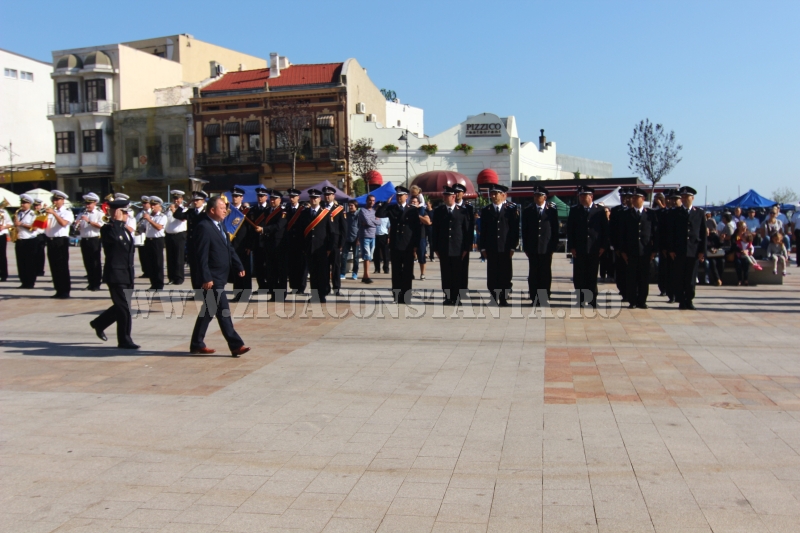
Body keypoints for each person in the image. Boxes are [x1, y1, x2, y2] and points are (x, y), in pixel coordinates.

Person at [188, 196, 250, 356]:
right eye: (222, 208)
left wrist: (238, 265)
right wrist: (206, 277)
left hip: (221, 275)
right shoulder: (203, 227)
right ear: (212, 210)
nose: (225, 210)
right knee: (223, 310)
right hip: (212, 277)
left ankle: (196, 343)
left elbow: (228, 247)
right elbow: (200, 256)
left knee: (209, 310)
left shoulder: (220, 225)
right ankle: (236, 344)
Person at [89, 198, 139, 350]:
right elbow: (114, 242)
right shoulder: (108, 228)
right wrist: (116, 221)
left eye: (126, 212)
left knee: (122, 306)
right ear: (115, 212)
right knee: (123, 308)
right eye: (123, 212)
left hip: (127, 273)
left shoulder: (124, 228)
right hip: (115, 274)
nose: (126, 215)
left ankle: (99, 323)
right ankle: (124, 340)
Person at [376, 186, 421, 304]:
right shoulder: (392, 208)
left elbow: (417, 229)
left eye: (401, 195)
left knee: (407, 272)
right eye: (397, 195)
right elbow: (379, 213)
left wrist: (416, 246)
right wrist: (387, 203)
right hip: (395, 244)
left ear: (406, 196)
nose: (399, 197)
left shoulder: (412, 210)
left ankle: (406, 297)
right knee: (396, 273)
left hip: (408, 245)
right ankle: (396, 296)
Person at [567, 185, 608, 307]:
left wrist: (603, 246)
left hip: (594, 248)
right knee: (579, 276)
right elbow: (570, 229)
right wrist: (571, 246)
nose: (582, 198)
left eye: (584, 196)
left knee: (592, 275)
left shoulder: (599, 211)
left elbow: (605, 230)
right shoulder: (575, 210)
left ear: (591, 197)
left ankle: (592, 299)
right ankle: (580, 299)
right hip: (579, 248)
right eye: (580, 196)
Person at [479, 184, 519, 306]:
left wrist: (513, 247)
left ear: (503, 195)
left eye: (496, 193)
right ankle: (493, 297)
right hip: (491, 247)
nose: (493, 196)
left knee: (505, 274)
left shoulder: (510, 209)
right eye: (492, 193)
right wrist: (483, 247)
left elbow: (514, 230)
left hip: (505, 248)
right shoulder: (486, 210)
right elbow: (483, 231)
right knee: (492, 273)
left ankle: (503, 298)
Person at [619, 188, 658, 309]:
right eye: (633, 198)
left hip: (645, 251)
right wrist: (623, 251)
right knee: (631, 277)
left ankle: (642, 300)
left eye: (636, 198)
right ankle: (632, 300)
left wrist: (654, 251)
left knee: (644, 277)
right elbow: (622, 234)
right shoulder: (626, 214)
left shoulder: (650, 214)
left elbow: (655, 233)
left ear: (643, 199)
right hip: (631, 251)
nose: (633, 200)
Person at [431, 186, 470, 305]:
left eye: (447, 195)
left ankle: (456, 297)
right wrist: (435, 248)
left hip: (458, 248)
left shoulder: (462, 211)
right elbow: (435, 231)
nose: (445, 197)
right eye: (444, 195)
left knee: (457, 274)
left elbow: (466, 231)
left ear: (453, 197)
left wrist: (466, 248)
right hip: (444, 248)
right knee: (446, 273)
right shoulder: (439, 211)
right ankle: (448, 296)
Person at [668, 186, 706, 309]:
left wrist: (702, 251)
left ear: (692, 198)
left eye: (686, 197)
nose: (684, 199)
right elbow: (671, 232)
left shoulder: (699, 213)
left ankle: (689, 299)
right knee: (679, 277)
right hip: (679, 250)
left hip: (693, 251)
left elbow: (702, 233)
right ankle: (681, 300)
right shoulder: (675, 213)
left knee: (691, 278)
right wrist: (671, 249)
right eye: (682, 197)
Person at [522, 186, 559, 305]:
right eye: (535, 196)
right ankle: (534, 296)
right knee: (533, 273)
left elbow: (555, 230)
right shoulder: (528, 210)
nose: (536, 198)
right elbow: (525, 231)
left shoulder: (551, 211)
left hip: (546, 248)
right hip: (533, 248)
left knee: (545, 273)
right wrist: (526, 247)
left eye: (539, 196)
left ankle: (544, 296)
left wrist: (553, 247)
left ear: (545, 197)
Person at [300, 189, 334, 302]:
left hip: (321, 248)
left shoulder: (326, 213)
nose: (313, 199)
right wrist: (304, 247)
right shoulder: (304, 213)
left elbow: (331, 232)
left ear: (320, 199)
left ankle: (322, 294)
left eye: (316, 198)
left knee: (322, 273)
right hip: (309, 248)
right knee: (313, 273)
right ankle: (315, 295)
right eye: (312, 198)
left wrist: (329, 248)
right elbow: (301, 231)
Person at [45, 190, 75, 299]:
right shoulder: (50, 212)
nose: (55, 201)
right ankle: (58, 290)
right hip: (50, 240)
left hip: (60, 240)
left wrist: (54, 213)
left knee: (62, 266)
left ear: (63, 200)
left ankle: (65, 291)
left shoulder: (67, 212)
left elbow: (63, 223)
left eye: (57, 199)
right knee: (54, 266)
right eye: (54, 199)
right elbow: (40, 225)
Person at [260, 189, 288, 301]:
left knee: (281, 271)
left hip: (279, 245)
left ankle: (281, 295)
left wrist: (264, 229)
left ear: (279, 200)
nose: (272, 201)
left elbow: (279, 226)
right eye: (271, 199)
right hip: (268, 244)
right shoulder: (267, 211)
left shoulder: (283, 212)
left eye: (274, 199)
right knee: (271, 271)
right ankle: (273, 294)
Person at [77, 192, 105, 291]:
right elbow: (77, 227)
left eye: (89, 203)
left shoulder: (99, 213)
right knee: (87, 262)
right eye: (86, 203)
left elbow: (101, 226)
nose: (87, 205)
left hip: (94, 239)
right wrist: (77, 224)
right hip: (84, 239)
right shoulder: (82, 213)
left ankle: (96, 284)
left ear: (95, 203)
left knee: (95, 262)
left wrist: (89, 221)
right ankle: (90, 282)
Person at [229, 187, 252, 302]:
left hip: (243, 246)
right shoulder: (228, 210)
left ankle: (246, 294)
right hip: (231, 245)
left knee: (245, 270)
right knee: (235, 270)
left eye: (237, 196)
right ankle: (237, 293)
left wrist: (249, 245)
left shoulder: (246, 211)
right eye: (233, 196)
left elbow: (250, 230)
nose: (235, 198)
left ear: (241, 198)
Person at [609, 188, 632, 302]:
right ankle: (623, 291)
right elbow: (612, 230)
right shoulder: (616, 210)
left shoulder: (634, 211)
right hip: (619, 247)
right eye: (623, 197)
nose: (625, 199)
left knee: (631, 272)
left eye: (627, 197)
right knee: (621, 271)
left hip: (632, 247)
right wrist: (615, 246)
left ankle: (631, 292)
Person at [323, 186, 346, 295]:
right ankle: (325, 288)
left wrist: (341, 243)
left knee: (336, 267)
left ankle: (336, 288)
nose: (327, 197)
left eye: (329, 195)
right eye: (325, 195)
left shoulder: (339, 209)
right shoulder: (321, 208)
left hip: (336, 243)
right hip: (323, 242)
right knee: (325, 267)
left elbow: (343, 228)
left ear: (333, 196)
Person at [284, 188, 307, 294]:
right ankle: (293, 286)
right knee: (291, 265)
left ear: (298, 197)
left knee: (301, 266)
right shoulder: (286, 210)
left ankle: (301, 287)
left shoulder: (303, 211)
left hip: (300, 242)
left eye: (294, 197)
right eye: (290, 197)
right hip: (289, 242)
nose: (292, 198)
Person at [13, 194, 39, 288]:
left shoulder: (34, 214)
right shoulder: (19, 213)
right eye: (21, 202)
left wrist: (21, 224)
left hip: (30, 240)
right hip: (20, 239)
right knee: (21, 262)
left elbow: (35, 228)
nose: (22, 204)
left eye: (24, 203)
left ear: (30, 204)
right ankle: (23, 281)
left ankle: (30, 282)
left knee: (30, 262)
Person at [142, 196, 167, 291]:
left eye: (155, 205)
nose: (152, 207)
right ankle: (153, 284)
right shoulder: (149, 215)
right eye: (151, 205)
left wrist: (149, 220)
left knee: (158, 263)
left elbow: (159, 227)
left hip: (157, 240)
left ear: (159, 206)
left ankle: (159, 284)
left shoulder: (162, 216)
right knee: (150, 263)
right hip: (148, 240)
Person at [453, 183, 474, 289]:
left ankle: (463, 288)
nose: (457, 194)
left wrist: (468, 244)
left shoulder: (468, 208)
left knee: (463, 267)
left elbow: (470, 228)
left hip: (463, 242)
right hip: (453, 243)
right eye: (455, 192)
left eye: (459, 192)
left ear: (463, 193)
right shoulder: (449, 207)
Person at [248, 187, 270, 291]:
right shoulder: (253, 210)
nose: (260, 198)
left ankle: (269, 284)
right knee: (258, 266)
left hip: (267, 241)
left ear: (266, 197)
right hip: (256, 242)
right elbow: (249, 229)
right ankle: (261, 286)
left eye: (262, 196)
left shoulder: (270, 210)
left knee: (268, 265)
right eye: (258, 196)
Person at [165, 190, 188, 286]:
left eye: (178, 198)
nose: (176, 200)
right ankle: (171, 277)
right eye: (174, 198)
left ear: (182, 199)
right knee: (170, 258)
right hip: (169, 235)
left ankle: (179, 278)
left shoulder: (184, 209)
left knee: (179, 257)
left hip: (179, 235)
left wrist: (174, 210)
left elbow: (182, 218)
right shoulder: (168, 209)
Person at [357, 194, 379, 284]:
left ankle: (365, 276)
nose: (372, 202)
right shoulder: (362, 210)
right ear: (366, 201)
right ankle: (367, 276)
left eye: (373, 200)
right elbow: (368, 221)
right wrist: (373, 221)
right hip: (365, 235)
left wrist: (372, 221)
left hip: (373, 236)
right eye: (370, 200)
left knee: (370, 257)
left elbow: (379, 222)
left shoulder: (375, 211)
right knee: (366, 256)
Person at [411, 196, 431, 280]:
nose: (413, 203)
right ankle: (410, 273)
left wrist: (418, 216)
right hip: (410, 237)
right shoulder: (408, 211)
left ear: (418, 203)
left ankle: (422, 274)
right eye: (412, 201)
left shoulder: (422, 211)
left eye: (415, 202)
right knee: (410, 256)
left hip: (421, 236)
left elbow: (428, 222)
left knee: (421, 256)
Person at [341, 199, 360, 280]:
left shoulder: (359, 215)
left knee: (356, 257)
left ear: (356, 206)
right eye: (349, 206)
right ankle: (342, 273)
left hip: (356, 239)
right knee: (344, 256)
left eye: (352, 205)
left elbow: (360, 228)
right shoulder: (346, 215)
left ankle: (355, 273)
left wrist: (359, 238)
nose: (350, 207)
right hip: (346, 239)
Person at [134, 196, 152, 278]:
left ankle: (150, 271)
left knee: (149, 255)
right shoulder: (140, 213)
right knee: (142, 255)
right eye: (143, 203)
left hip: (148, 235)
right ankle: (145, 271)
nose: (144, 205)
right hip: (140, 237)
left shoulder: (152, 212)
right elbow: (136, 222)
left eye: (146, 203)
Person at [599, 207, 615, 281]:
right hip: (603, 243)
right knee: (603, 259)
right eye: (604, 211)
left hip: (611, 243)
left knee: (611, 259)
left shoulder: (611, 221)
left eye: (607, 211)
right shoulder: (601, 221)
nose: (606, 212)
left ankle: (610, 274)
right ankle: (602, 275)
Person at [0, 200, 10, 281]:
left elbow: (10, 223)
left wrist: (3, 227)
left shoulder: (3, 212)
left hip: (1, 235)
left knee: (2, 255)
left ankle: (3, 275)